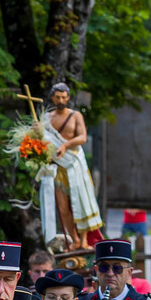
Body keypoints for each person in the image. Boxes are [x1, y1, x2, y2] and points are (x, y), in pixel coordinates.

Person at [40, 82, 104, 250]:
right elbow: (43, 140)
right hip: (57, 167)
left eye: (64, 97)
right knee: (63, 207)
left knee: (81, 202)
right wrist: (36, 130)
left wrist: (65, 146)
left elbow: (82, 137)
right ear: (53, 97)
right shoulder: (47, 118)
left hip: (74, 163)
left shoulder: (75, 116)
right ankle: (74, 239)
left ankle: (84, 240)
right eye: (57, 97)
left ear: (68, 98)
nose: (61, 100)